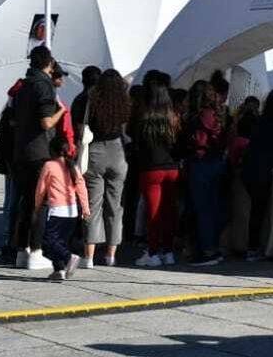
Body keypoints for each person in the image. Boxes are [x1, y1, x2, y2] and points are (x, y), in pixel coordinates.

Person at [13, 47, 64, 272]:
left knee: (25, 203)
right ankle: (36, 251)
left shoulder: (24, 85)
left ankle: (22, 251)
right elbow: (46, 122)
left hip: (21, 151)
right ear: (49, 63)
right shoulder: (44, 86)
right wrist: (61, 111)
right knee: (40, 203)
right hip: (39, 151)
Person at [81, 69, 132, 268]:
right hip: (117, 151)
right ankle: (111, 255)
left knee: (93, 206)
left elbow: (85, 125)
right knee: (115, 206)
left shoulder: (93, 100)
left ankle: (89, 256)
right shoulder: (124, 103)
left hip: (96, 150)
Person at [132, 79, 182, 267]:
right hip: (171, 168)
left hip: (150, 169)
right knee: (169, 212)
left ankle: (152, 252)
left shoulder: (143, 117)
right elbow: (179, 144)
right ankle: (168, 252)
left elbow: (136, 142)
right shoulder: (173, 117)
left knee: (152, 214)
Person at [180, 80, 228, 266]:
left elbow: (198, 141)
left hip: (201, 162)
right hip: (216, 162)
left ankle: (207, 251)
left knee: (202, 208)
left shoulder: (200, 116)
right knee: (212, 207)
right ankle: (213, 248)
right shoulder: (218, 114)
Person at [33, 131, 91, 280]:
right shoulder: (72, 166)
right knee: (61, 242)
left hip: (57, 210)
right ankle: (59, 270)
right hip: (72, 211)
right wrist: (85, 208)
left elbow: (41, 189)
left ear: (51, 150)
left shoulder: (49, 165)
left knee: (47, 242)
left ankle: (69, 257)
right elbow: (81, 188)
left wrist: (37, 207)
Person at [241, 91, 273, 261]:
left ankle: (252, 246)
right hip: (264, 170)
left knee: (255, 209)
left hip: (249, 169)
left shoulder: (258, 121)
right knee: (260, 210)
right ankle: (253, 247)